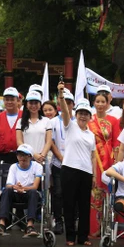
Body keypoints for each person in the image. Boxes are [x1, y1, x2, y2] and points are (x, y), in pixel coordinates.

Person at [57, 82, 96, 246]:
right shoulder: (70, 126)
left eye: (86, 113)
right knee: (69, 203)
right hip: (69, 169)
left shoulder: (91, 135)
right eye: (80, 112)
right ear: (76, 113)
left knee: (84, 205)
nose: (83, 116)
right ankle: (70, 237)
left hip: (86, 172)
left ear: (90, 116)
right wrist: (61, 95)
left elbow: (93, 155)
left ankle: (83, 237)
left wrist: (93, 174)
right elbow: (65, 111)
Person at [0, 143, 42, 237]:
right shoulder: (13, 167)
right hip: (15, 194)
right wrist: (16, 187)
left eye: (24, 155)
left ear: (30, 156)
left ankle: (30, 226)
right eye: (19, 155)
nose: (22, 158)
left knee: (33, 192)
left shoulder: (37, 167)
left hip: (29, 195)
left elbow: (35, 186)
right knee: (6, 191)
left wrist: (23, 188)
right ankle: (1, 225)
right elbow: (9, 185)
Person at [88, 92, 120, 237]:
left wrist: (116, 162)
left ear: (108, 104)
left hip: (109, 159)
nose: (100, 104)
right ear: (94, 103)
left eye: (103, 102)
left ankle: (109, 224)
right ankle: (95, 226)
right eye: (97, 101)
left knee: (109, 192)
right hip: (93, 159)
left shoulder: (114, 120)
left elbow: (116, 142)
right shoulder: (89, 120)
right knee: (95, 192)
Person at [49, 90, 75, 234]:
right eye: (63, 102)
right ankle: (58, 221)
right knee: (58, 193)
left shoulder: (77, 120)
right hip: (59, 163)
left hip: (75, 164)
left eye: (69, 103)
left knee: (73, 194)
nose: (66, 105)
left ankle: (72, 220)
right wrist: (60, 157)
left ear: (72, 104)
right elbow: (51, 142)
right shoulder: (53, 121)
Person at [0, 87, 22, 173]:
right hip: (3, 156)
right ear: (3, 100)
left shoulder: (25, 116)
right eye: (7, 99)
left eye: (12, 99)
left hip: (21, 156)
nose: (9, 102)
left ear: (17, 100)